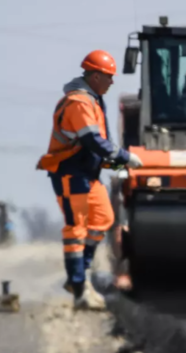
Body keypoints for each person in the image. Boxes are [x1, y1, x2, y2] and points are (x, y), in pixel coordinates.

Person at [36, 50, 144, 311]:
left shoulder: (93, 100)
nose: (112, 82)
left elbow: (95, 149)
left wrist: (120, 164)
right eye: (108, 76)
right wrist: (126, 157)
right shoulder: (79, 103)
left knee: (103, 218)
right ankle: (79, 287)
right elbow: (92, 142)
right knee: (77, 228)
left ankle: (79, 280)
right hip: (70, 174)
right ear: (95, 76)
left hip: (87, 174)